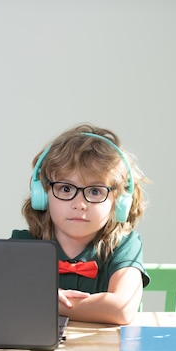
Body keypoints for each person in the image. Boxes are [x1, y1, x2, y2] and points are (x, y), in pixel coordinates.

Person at [11, 123, 149, 325]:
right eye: (66, 188)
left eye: (95, 191)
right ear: (42, 194)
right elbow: (2, 299)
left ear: (119, 202)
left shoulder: (124, 245)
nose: (79, 204)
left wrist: (46, 301)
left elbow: (122, 308)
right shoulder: (24, 244)